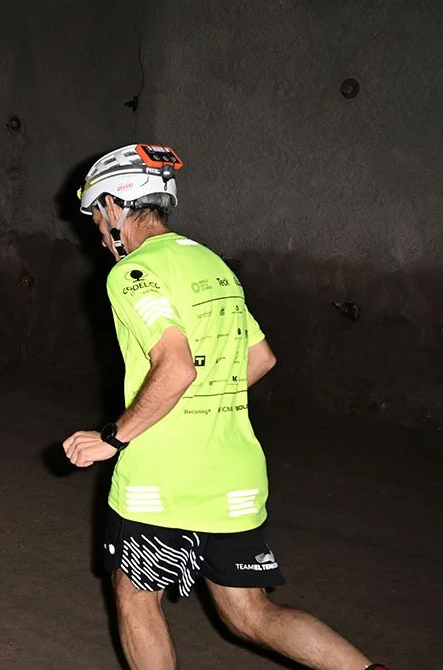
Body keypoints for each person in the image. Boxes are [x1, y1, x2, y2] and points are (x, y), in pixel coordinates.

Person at [62, 144, 386, 670]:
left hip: (162, 482)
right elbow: (260, 358)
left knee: (135, 596)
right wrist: (198, 401)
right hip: (235, 474)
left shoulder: (132, 272)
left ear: (114, 206)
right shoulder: (210, 263)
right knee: (251, 614)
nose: (98, 232)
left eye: (97, 216)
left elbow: (176, 367)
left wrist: (112, 437)